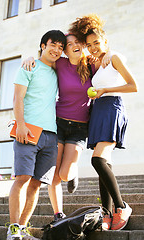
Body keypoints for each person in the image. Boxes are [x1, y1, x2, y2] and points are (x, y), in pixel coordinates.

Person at [22, 33, 110, 222]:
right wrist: (29, 58)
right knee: (54, 175)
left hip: (80, 128)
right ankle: (58, 213)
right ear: (65, 50)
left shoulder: (91, 64)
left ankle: (73, 173)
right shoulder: (60, 63)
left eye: (77, 42)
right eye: (69, 44)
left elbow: (108, 62)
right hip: (58, 123)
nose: (74, 46)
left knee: (65, 173)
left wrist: (108, 54)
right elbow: (42, 61)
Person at [68, 14, 137, 231]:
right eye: (89, 45)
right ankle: (106, 214)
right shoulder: (93, 62)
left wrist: (106, 89)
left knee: (98, 160)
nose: (93, 47)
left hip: (112, 107)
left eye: (97, 43)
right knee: (103, 162)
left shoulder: (113, 57)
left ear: (105, 41)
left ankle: (121, 206)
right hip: (97, 111)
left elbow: (133, 85)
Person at [7, 30, 66, 240]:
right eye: (53, 45)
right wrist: (20, 124)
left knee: (36, 183)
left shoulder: (59, 71)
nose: (57, 50)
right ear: (43, 45)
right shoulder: (29, 66)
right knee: (22, 178)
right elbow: (17, 98)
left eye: (61, 47)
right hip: (28, 130)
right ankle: (13, 229)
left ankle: (22, 229)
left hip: (51, 135)